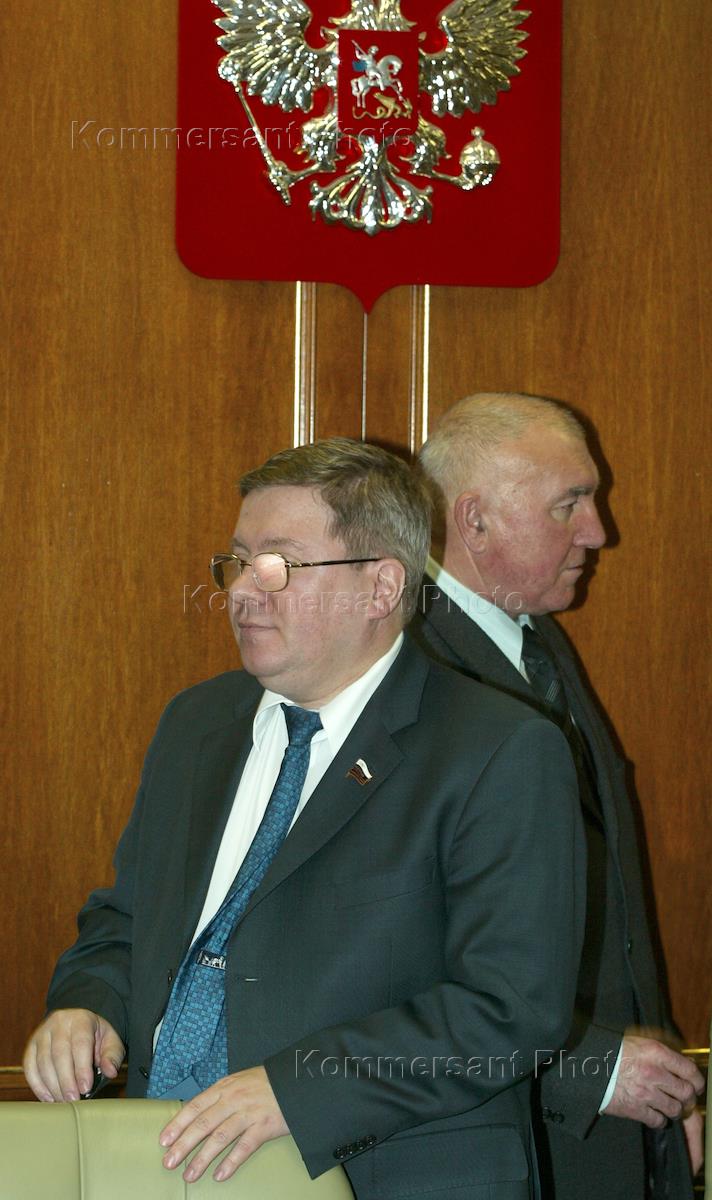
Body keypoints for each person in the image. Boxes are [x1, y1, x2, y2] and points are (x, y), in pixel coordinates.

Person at [24, 438, 585, 1199]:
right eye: (237, 562)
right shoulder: (197, 724)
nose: (244, 591)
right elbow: (126, 918)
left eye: (281, 565)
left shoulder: (497, 749)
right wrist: (89, 1004)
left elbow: (511, 1008)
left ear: (381, 587)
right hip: (160, 1162)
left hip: (383, 1172)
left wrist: (298, 1090)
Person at [412, 393, 705, 1200]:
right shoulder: (406, 669)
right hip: (504, 1137)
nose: (598, 531)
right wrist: (586, 1069)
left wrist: (659, 1075)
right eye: (568, 504)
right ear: (474, 520)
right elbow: (391, 946)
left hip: (614, 1127)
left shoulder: (535, 638)